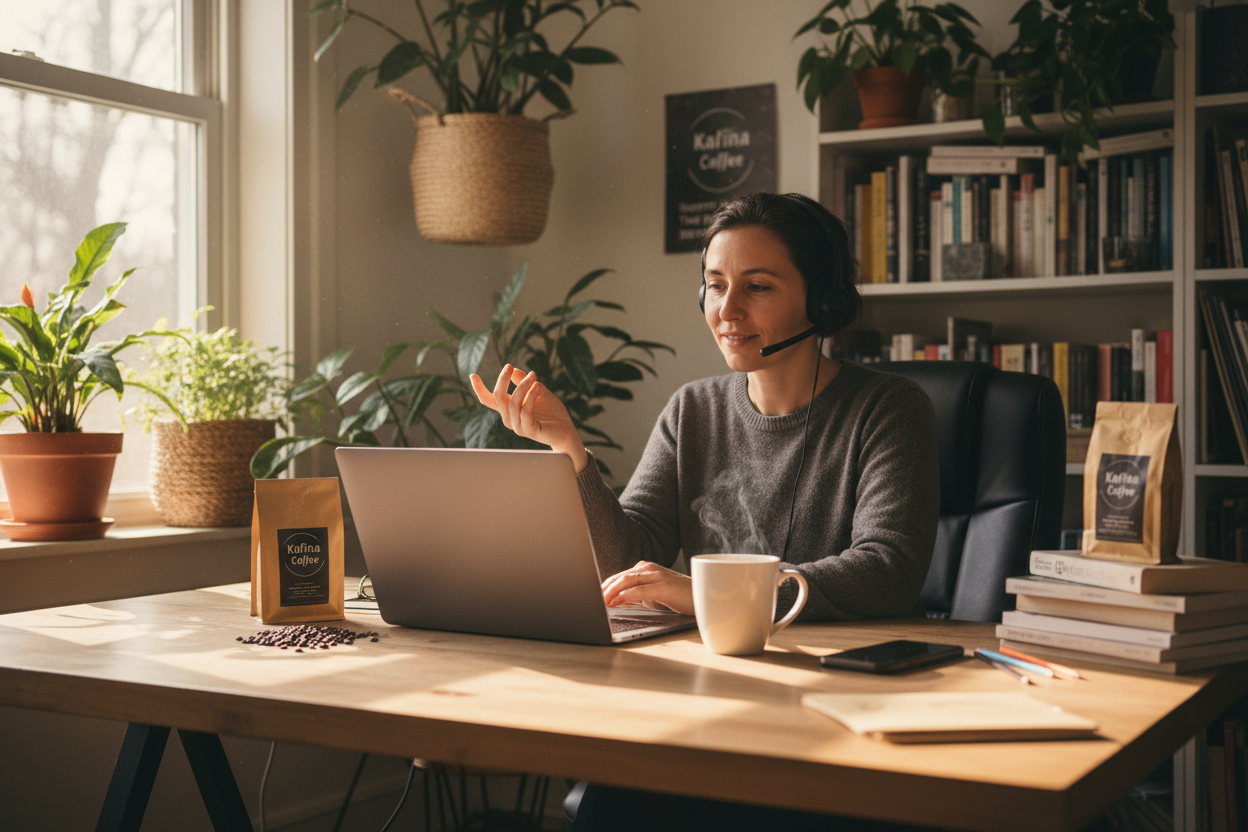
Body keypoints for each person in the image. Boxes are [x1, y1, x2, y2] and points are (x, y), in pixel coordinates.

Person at [470, 191, 939, 623]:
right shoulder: (691, 410)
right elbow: (627, 563)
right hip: (721, 665)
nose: (728, 310)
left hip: (847, 671)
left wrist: (714, 595)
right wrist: (568, 449)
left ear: (822, 302)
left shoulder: (888, 409)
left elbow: (887, 572)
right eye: (716, 286)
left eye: (757, 287)